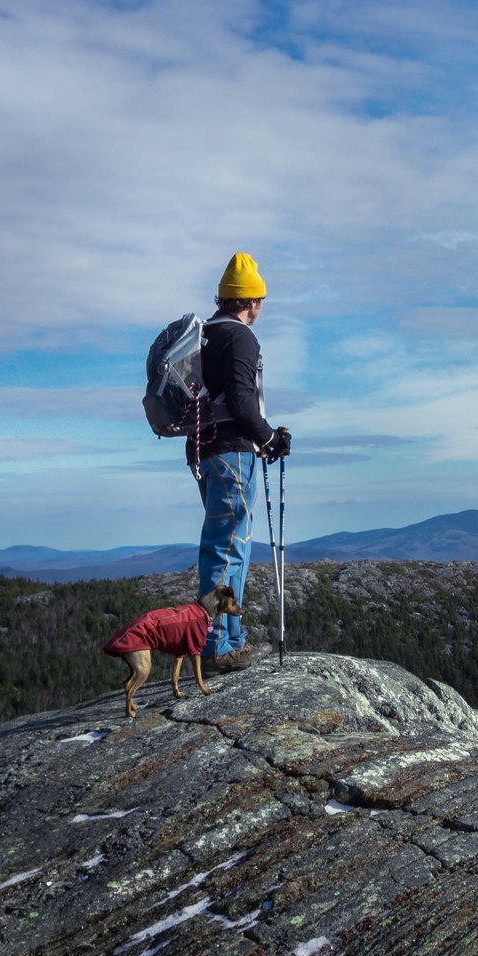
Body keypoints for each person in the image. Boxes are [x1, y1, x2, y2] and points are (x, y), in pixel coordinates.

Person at [189, 252, 291, 670]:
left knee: (226, 544)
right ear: (251, 301)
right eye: (260, 300)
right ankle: (217, 645)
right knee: (229, 547)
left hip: (204, 449)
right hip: (232, 451)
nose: (261, 307)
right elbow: (241, 400)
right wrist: (269, 437)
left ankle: (229, 637)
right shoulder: (241, 337)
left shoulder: (204, 335)